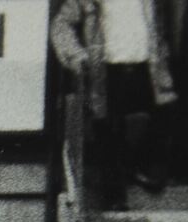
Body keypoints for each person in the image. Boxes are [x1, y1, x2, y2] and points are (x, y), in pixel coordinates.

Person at [50, 0, 177, 210]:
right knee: (108, 129)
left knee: (163, 116)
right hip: (107, 71)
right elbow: (60, 25)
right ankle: (114, 197)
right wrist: (77, 55)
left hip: (147, 69)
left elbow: (161, 29)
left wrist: (163, 57)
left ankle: (142, 169)